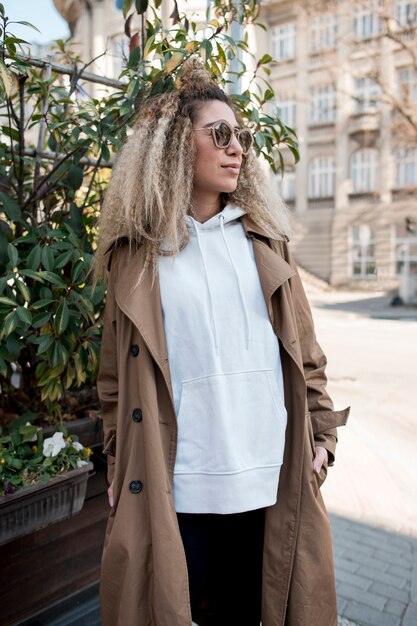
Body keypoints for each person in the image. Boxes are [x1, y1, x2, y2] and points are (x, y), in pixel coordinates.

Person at [95, 58, 349, 626]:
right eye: (221, 134)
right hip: (175, 484)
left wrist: (324, 441)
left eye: (243, 137)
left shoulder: (267, 244)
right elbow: (114, 380)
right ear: (175, 147)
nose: (237, 148)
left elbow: (306, 357)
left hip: (267, 477)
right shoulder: (136, 256)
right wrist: (118, 464)